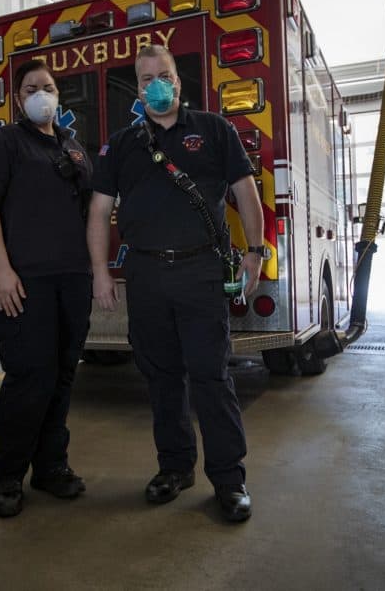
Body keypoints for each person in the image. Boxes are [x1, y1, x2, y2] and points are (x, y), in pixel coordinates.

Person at [87, 45, 265, 523]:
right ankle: (174, 468)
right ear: (138, 88)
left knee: (211, 377)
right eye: (145, 80)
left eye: (162, 75)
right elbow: (100, 211)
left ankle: (229, 480)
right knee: (162, 379)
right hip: (145, 275)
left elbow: (246, 191)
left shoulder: (213, 130)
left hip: (200, 272)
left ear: (178, 81)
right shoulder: (122, 144)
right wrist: (102, 271)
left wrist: (256, 249)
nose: (154, 85)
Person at [0, 59, 93, 519]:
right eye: (32, 88)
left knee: (61, 375)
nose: (42, 93)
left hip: (72, 280)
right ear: (19, 99)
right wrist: (1, 270)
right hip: (23, 281)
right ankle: (8, 476)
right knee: (30, 377)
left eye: (50, 87)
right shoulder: (2, 143)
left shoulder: (74, 149)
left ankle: (51, 467)